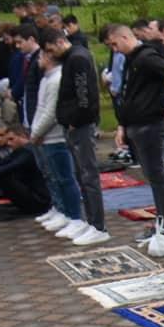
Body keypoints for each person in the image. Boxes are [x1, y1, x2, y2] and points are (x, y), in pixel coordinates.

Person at [106, 24, 164, 253]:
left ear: (125, 37)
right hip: (136, 121)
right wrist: (122, 124)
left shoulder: (147, 57)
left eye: (115, 44)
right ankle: (161, 220)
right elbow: (128, 93)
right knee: (151, 174)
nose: (114, 50)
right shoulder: (133, 58)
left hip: (150, 122)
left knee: (157, 174)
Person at [48, 29, 110, 246]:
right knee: (81, 174)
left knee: (88, 174)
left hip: (80, 124)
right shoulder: (72, 58)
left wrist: (78, 118)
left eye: (51, 49)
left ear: (59, 42)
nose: (50, 54)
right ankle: (91, 221)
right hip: (74, 123)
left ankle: (98, 225)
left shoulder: (78, 58)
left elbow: (84, 93)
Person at [29, 49, 85, 239]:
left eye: (41, 56)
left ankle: (73, 216)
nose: (38, 60)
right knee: (51, 176)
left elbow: (51, 112)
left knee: (64, 178)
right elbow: (40, 108)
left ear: (49, 57)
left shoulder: (56, 79)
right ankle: (60, 209)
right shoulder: (46, 79)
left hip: (55, 137)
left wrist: (37, 132)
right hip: (43, 136)